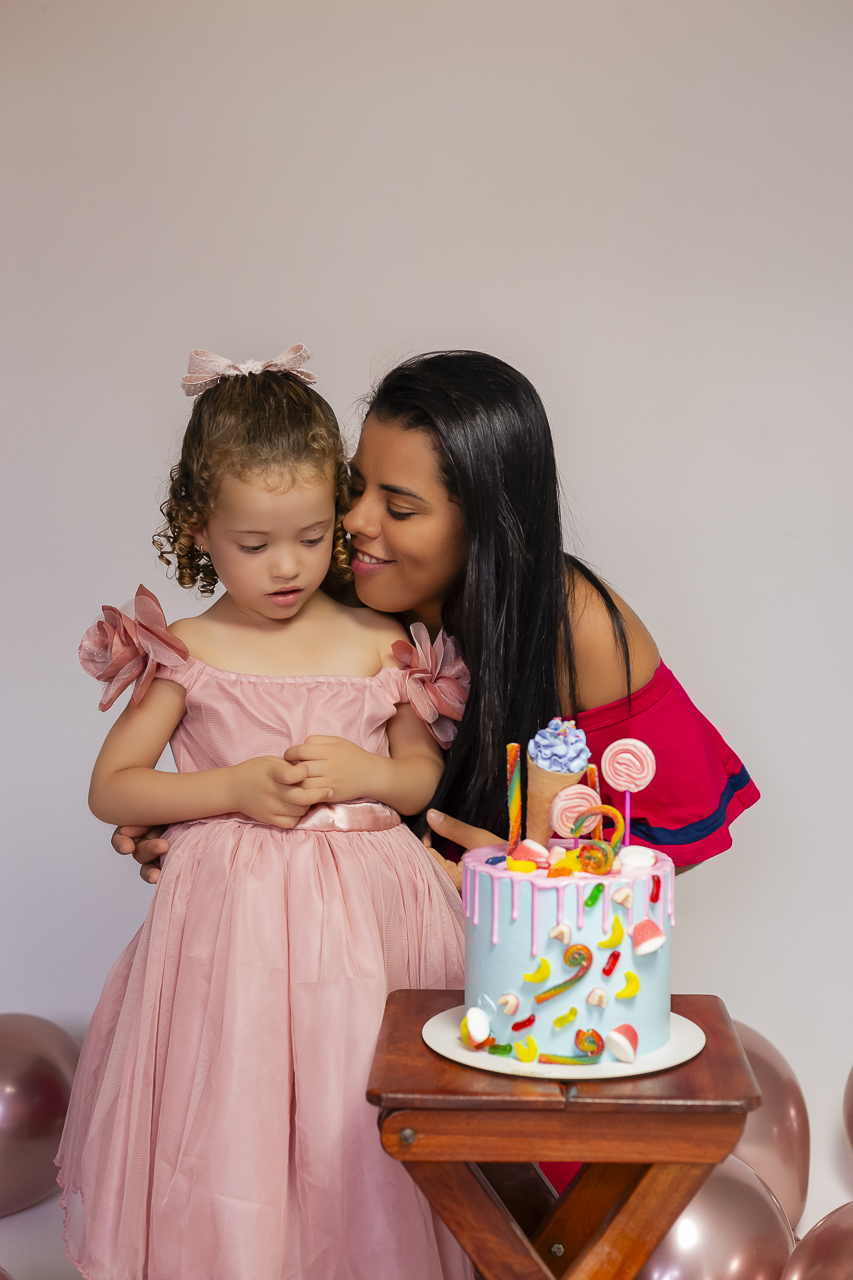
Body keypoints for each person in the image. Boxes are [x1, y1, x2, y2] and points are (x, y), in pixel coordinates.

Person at [57, 348, 474, 1280]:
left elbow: (421, 780)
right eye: (254, 546)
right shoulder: (189, 650)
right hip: (234, 940)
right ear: (198, 529)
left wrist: (368, 771)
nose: (288, 567)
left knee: (355, 1106)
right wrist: (232, 789)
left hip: (371, 934)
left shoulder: (380, 642)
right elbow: (113, 787)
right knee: (236, 1113)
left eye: (313, 537)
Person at [119, 351, 759, 891]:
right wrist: (188, 826)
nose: (355, 522)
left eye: (399, 508)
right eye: (355, 487)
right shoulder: (321, 585)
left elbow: (666, 837)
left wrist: (522, 877)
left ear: (487, 524)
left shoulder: (573, 622)